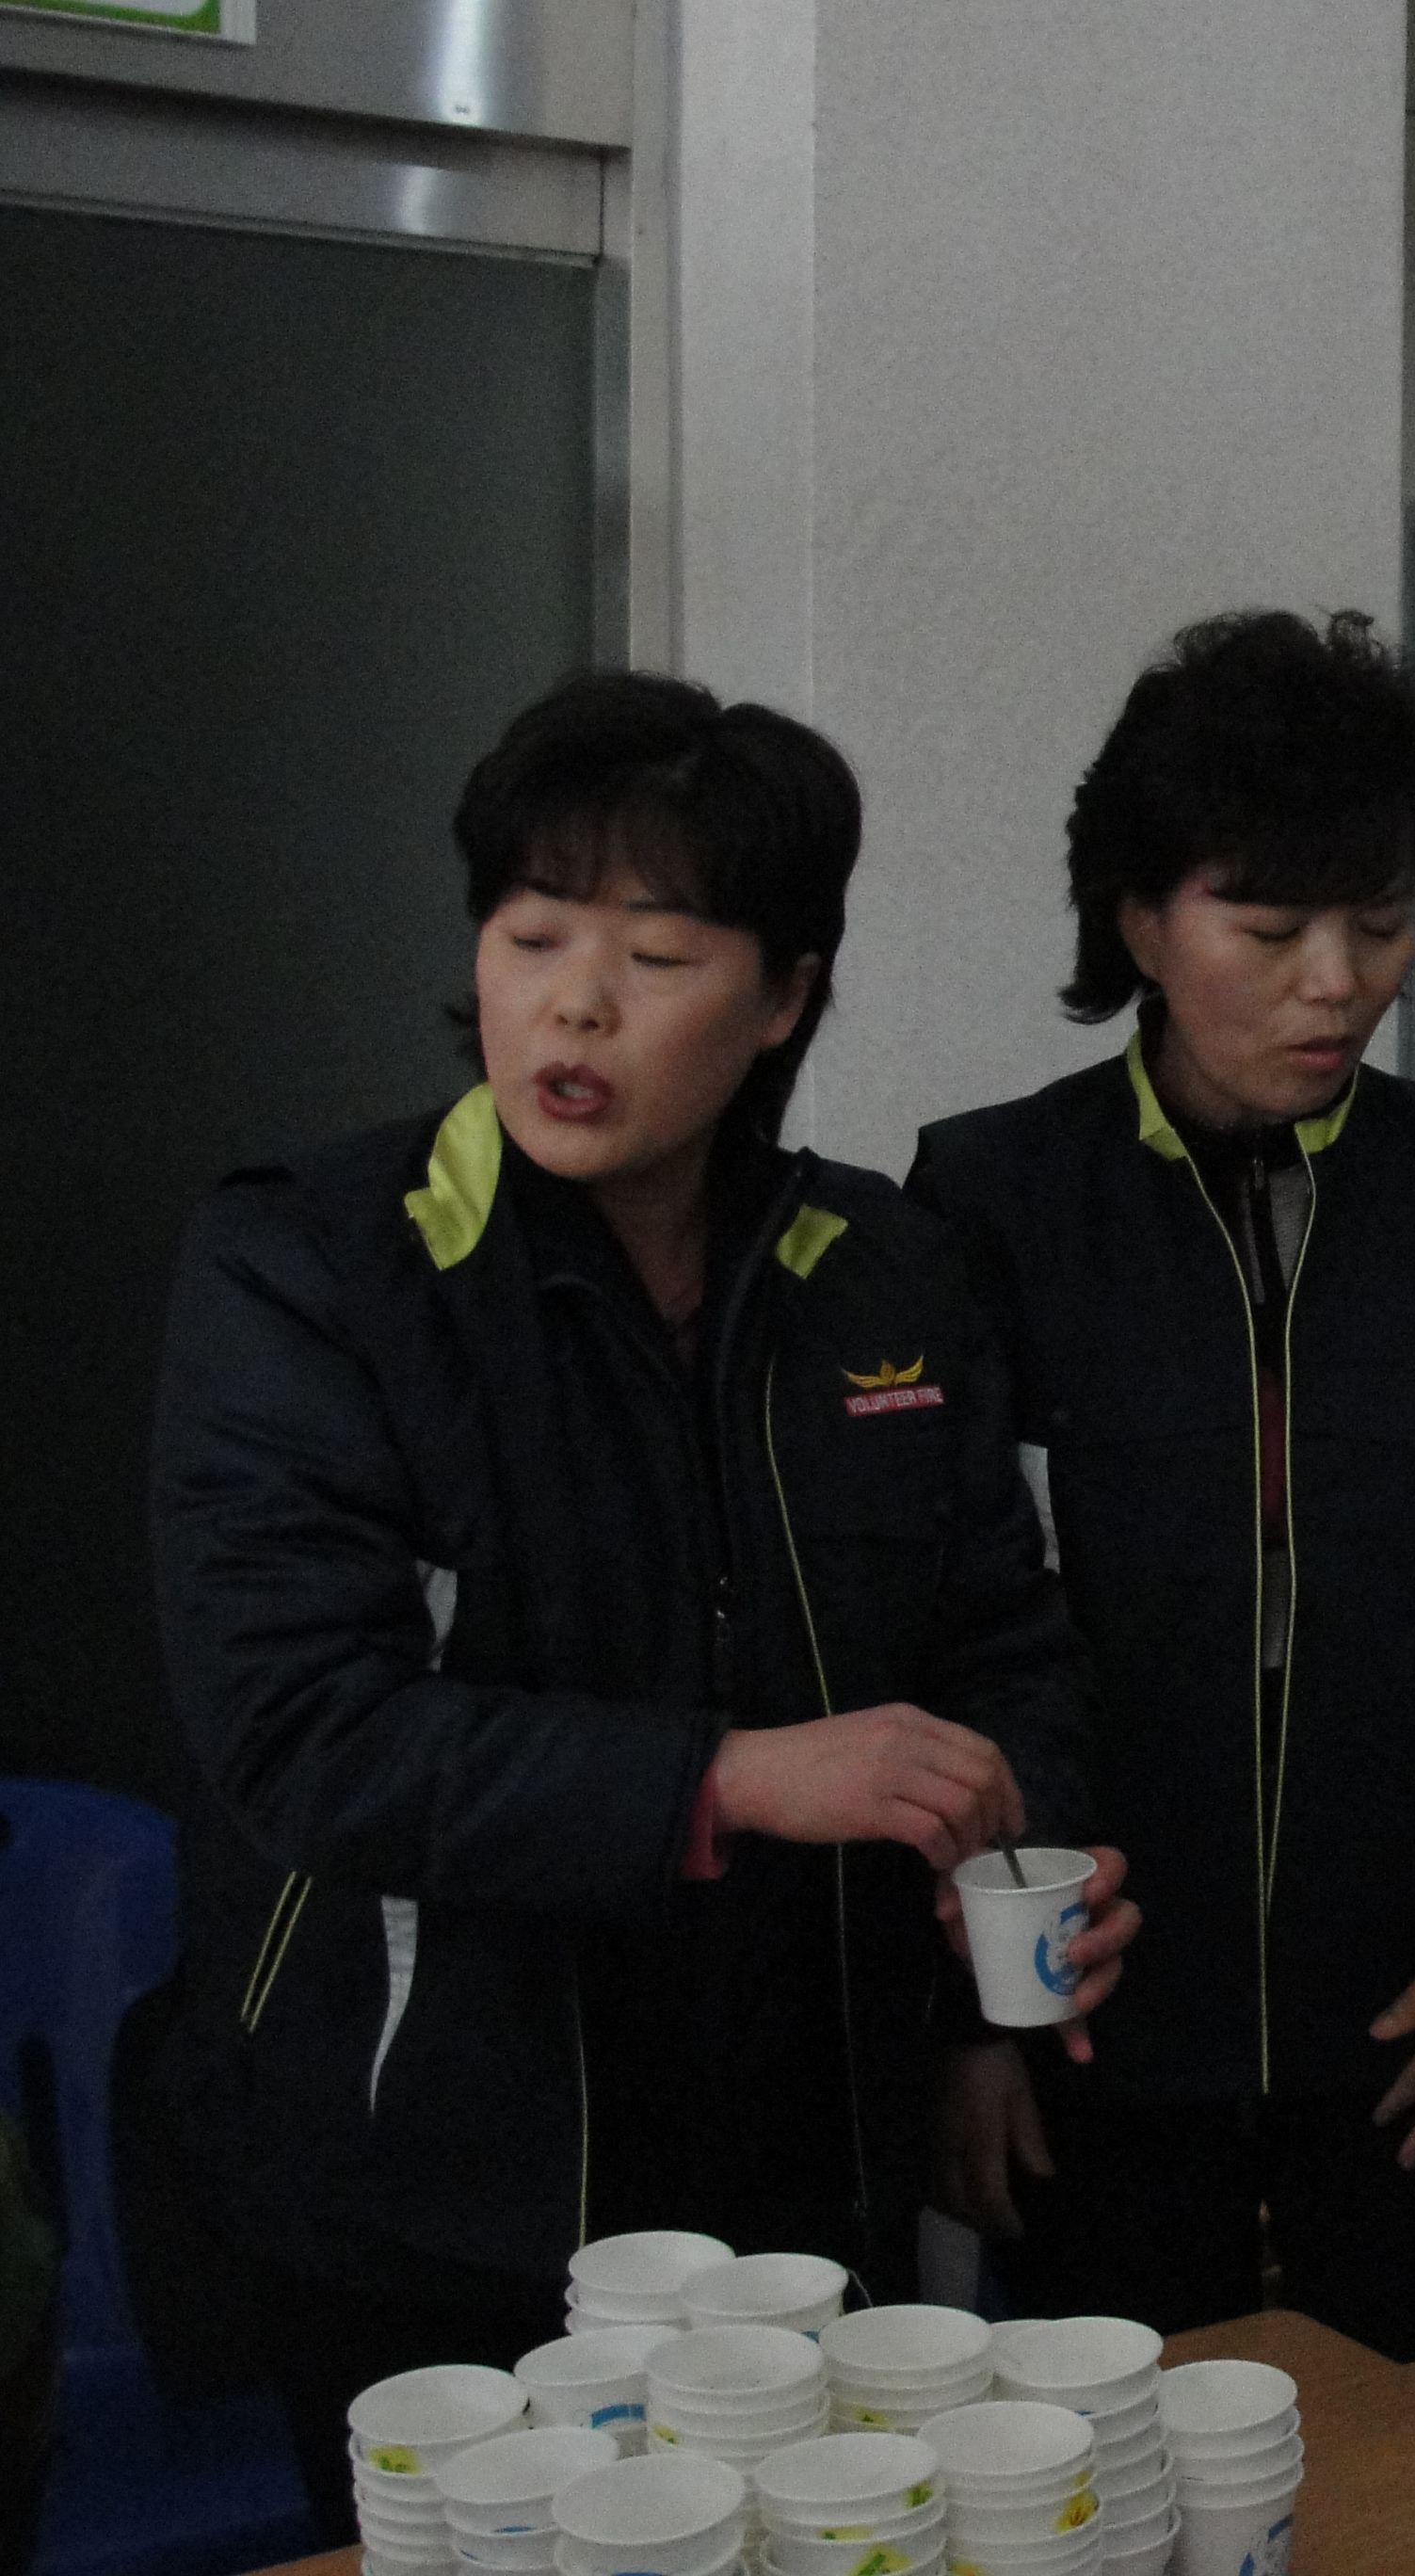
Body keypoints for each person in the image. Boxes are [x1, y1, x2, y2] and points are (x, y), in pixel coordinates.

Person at [151, 672, 1138, 2536]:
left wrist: (1018, 1894)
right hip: (432, 2196)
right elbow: (306, 1733)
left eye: (659, 954)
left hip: (799, 2173)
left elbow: (999, 1645)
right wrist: (731, 1776)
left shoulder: (881, 1269)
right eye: (532, 938)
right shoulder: (320, 1266)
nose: (575, 1003)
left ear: (781, 999)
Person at [910, 610, 1415, 2362]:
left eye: (1382, 922)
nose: (1336, 982)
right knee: (1103, 2465)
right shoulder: (989, 1200)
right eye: (1269, 932)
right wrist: (966, 2020)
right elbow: (948, 1637)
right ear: (1141, 920)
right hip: (1096, 2027)